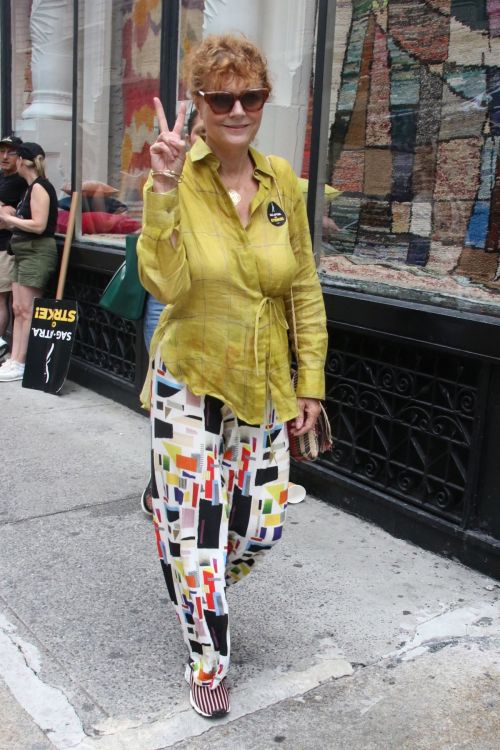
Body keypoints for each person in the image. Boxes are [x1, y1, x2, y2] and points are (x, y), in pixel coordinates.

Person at [137, 34, 328, 718]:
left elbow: (302, 286)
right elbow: (161, 279)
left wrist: (312, 385)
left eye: (251, 95)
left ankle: (176, 536)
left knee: (262, 526)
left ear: (264, 100)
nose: (238, 108)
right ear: (200, 103)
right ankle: (208, 661)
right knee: (203, 536)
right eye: (222, 97)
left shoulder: (283, 182)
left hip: (265, 382)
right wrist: (160, 190)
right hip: (186, 380)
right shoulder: (175, 176)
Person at [140, 107, 205, 515]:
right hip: (167, 304)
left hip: (217, 313)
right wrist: (167, 179)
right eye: (195, 132)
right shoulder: (166, 175)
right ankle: (158, 480)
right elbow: (154, 250)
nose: (196, 141)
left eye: (203, 133)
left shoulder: (235, 180)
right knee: (168, 400)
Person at [0, 142, 58, 382]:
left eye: (15, 157)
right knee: (18, 309)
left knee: (28, 310)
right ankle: (14, 357)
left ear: (22, 161)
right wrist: (10, 217)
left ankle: (22, 361)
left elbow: (39, 225)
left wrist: (9, 220)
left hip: (36, 251)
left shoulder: (40, 187)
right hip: (22, 251)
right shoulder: (28, 189)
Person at [0, 135, 27, 360]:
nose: (5, 156)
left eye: (10, 152)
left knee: (3, 300)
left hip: (5, 246)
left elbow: (6, 217)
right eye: (2, 151)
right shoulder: (2, 177)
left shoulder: (18, 181)